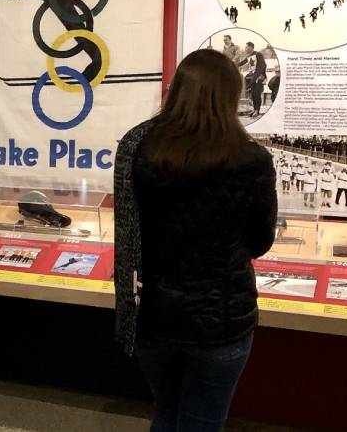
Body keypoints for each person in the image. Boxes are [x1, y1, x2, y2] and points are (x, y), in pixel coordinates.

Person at [114, 49, 277, 432]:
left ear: (179, 90)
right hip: (220, 319)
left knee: (167, 412)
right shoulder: (251, 160)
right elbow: (260, 241)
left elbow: (128, 232)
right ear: (230, 95)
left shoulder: (138, 148)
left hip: (152, 314)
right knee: (203, 422)